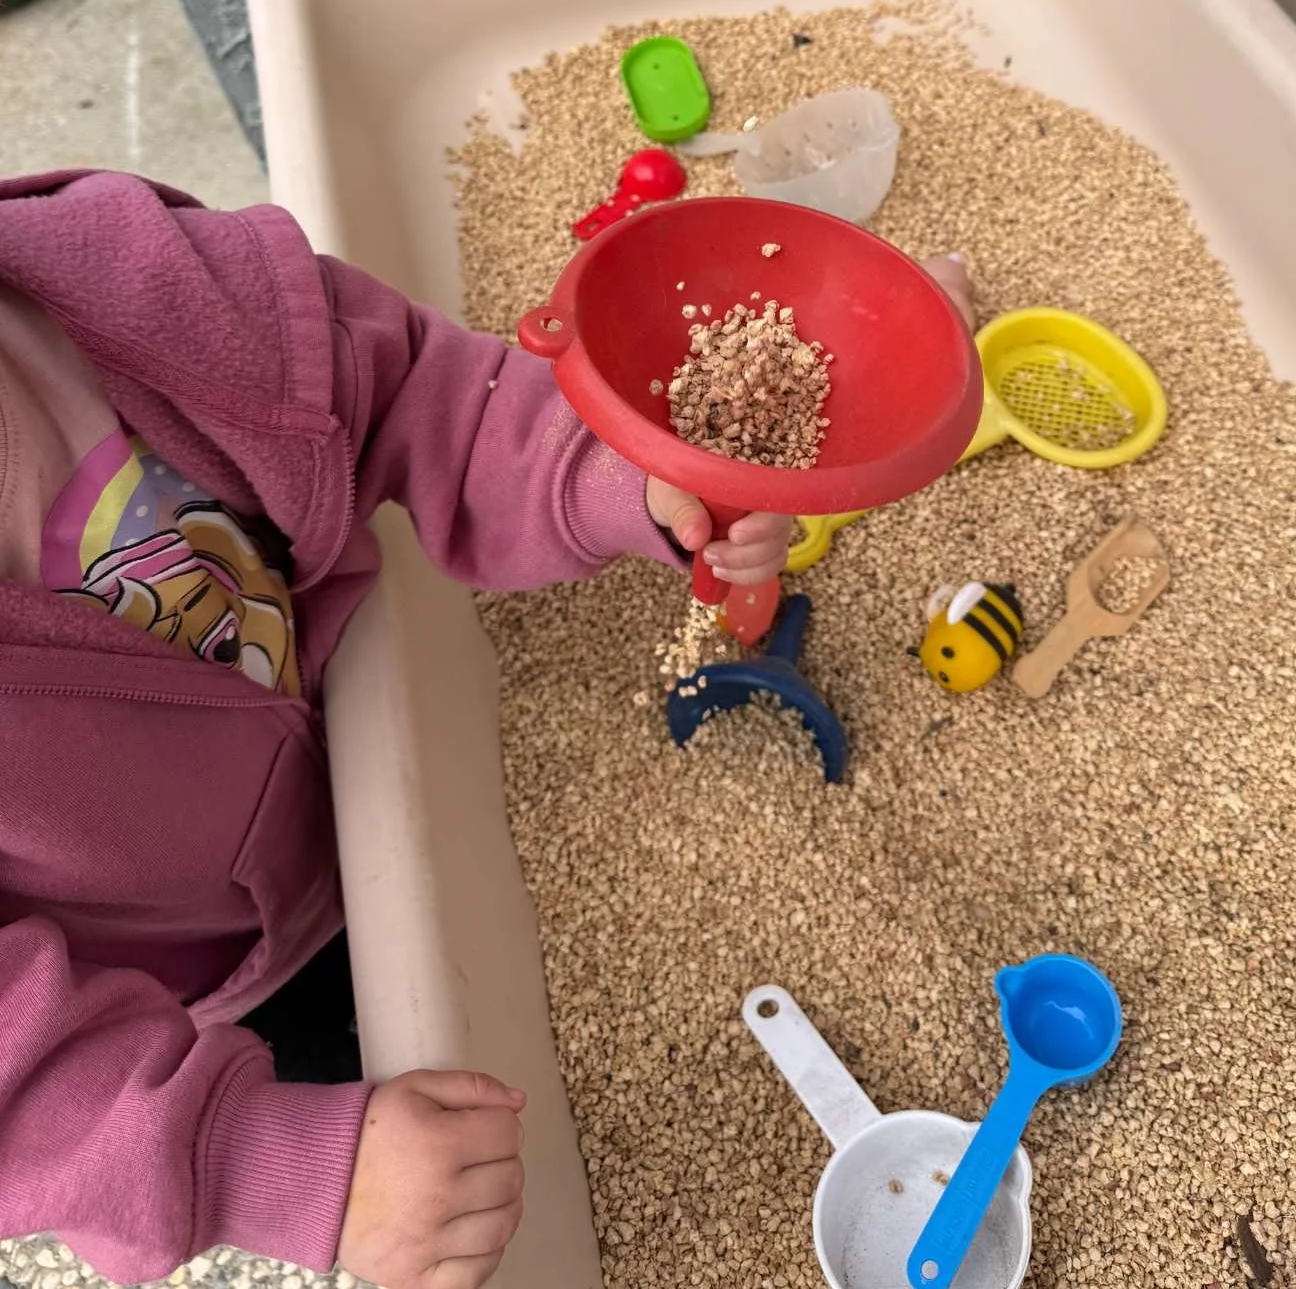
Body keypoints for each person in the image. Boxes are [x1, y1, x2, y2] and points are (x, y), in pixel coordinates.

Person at [0, 166, 974, 1289]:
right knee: (409, 1130)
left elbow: (412, 391)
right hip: (222, 962)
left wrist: (616, 476)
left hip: (341, 731)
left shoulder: (129, 280)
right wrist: (257, 1160)